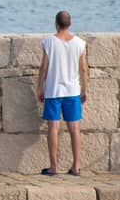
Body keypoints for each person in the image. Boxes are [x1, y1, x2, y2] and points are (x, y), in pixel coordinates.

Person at [34, 11, 88, 176]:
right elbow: (84, 69)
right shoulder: (80, 43)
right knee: (74, 128)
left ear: (56, 23)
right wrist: (84, 90)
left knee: (53, 128)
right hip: (72, 91)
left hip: (53, 91)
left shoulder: (49, 42)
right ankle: (76, 166)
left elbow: (44, 67)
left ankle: (54, 166)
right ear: (70, 24)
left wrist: (39, 88)